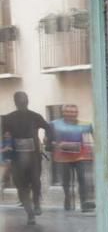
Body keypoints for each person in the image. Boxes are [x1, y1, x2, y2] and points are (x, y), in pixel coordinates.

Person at [1, 91, 49, 224]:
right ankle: (30, 213)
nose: (23, 102)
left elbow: (48, 128)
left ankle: (36, 204)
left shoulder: (35, 116)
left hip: (33, 156)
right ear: (16, 102)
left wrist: (47, 139)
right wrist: (5, 148)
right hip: (16, 157)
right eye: (20, 100)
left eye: (24, 99)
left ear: (27, 101)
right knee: (21, 185)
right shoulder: (7, 118)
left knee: (35, 182)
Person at [50, 103, 95, 212]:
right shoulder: (54, 124)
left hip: (80, 156)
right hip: (63, 157)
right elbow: (48, 139)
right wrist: (56, 144)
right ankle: (68, 200)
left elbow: (94, 136)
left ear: (77, 113)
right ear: (63, 113)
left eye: (74, 112)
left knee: (82, 180)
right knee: (66, 181)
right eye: (69, 112)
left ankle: (84, 203)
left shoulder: (85, 124)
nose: (71, 114)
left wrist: (94, 150)